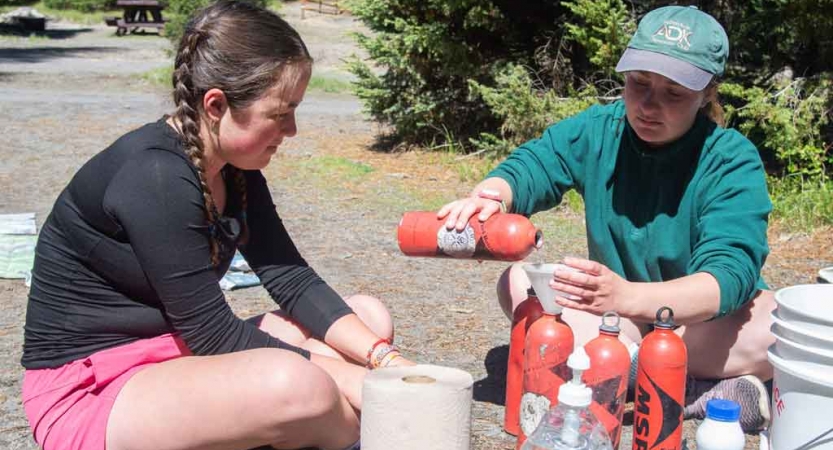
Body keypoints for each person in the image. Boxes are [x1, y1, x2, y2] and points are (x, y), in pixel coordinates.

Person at [20, 2, 412, 450]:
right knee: (302, 386)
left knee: (367, 319)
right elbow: (213, 332)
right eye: (281, 113)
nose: (293, 130)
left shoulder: (234, 170)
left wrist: (386, 359)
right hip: (94, 387)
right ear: (216, 105)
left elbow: (290, 277)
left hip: (171, 351)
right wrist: (351, 379)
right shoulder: (156, 177)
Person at [439, 5, 773, 432]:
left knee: (776, 324)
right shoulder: (601, 129)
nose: (649, 106)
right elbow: (537, 163)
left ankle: (623, 373)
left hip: (701, 327)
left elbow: (729, 277)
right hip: (618, 320)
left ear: (707, 93)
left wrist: (625, 296)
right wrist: (492, 196)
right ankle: (689, 389)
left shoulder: (730, 158)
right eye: (639, 84)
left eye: (674, 93)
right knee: (518, 282)